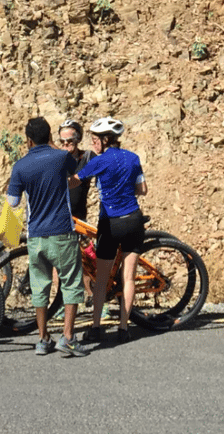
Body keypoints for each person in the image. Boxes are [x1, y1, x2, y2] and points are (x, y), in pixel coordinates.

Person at [6, 117, 89, 357]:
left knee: (40, 287)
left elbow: (12, 203)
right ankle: (68, 338)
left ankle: (42, 339)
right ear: (50, 136)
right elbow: (74, 174)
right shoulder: (61, 157)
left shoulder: (20, 166)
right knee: (71, 283)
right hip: (62, 231)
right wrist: (53, 144)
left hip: (35, 236)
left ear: (28, 140)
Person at [70, 117, 147, 345]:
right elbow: (142, 189)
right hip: (134, 220)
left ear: (105, 140)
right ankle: (124, 329)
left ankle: (95, 328)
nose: (94, 145)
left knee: (101, 279)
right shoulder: (133, 158)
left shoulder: (100, 160)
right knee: (128, 277)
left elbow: (74, 181)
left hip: (111, 222)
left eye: (95, 140)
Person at [54, 119, 108, 321]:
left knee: (88, 261)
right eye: (62, 141)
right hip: (61, 219)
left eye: (71, 140)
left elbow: (103, 163)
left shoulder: (88, 157)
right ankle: (60, 304)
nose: (66, 145)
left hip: (81, 220)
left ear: (78, 139)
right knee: (62, 265)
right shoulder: (58, 159)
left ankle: (97, 300)